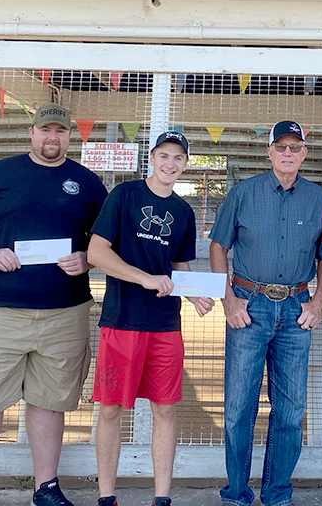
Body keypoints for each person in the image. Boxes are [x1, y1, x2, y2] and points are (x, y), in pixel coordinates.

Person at [0, 103, 108, 506]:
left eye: (60, 131)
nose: (52, 138)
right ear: (31, 133)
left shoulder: (87, 183)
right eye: (45, 131)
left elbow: (107, 239)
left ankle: (46, 488)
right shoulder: (0, 173)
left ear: (70, 136)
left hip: (64, 312)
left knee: (50, 402)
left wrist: (87, 257)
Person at [209, 120, 322, 506]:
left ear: (304, 154)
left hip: (297, 309)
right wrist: (227, 298)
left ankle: (277, 492)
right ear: (269, 151)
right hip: (250, 304)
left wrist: (318, 303)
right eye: (281, 147)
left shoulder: (318, 199)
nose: (288, 153)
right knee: (238, 407)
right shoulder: (243, 193)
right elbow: (218, 247)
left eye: (295, 147)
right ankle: (236, 493)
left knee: (291, 409)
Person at [86, 131, 214, 506]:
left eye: (178, 158)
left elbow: (179, 267)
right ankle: (107, 496)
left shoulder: (184, 211)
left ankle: (161, 497)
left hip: (164, 325)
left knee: (166, 409)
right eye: (163, 155)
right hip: (122, 320)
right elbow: (96, 252)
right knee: (110, 410)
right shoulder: (124, 196)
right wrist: (144, 278)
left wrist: (193, 295)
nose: (169, 163)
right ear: (152, 158)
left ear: (185, 164)